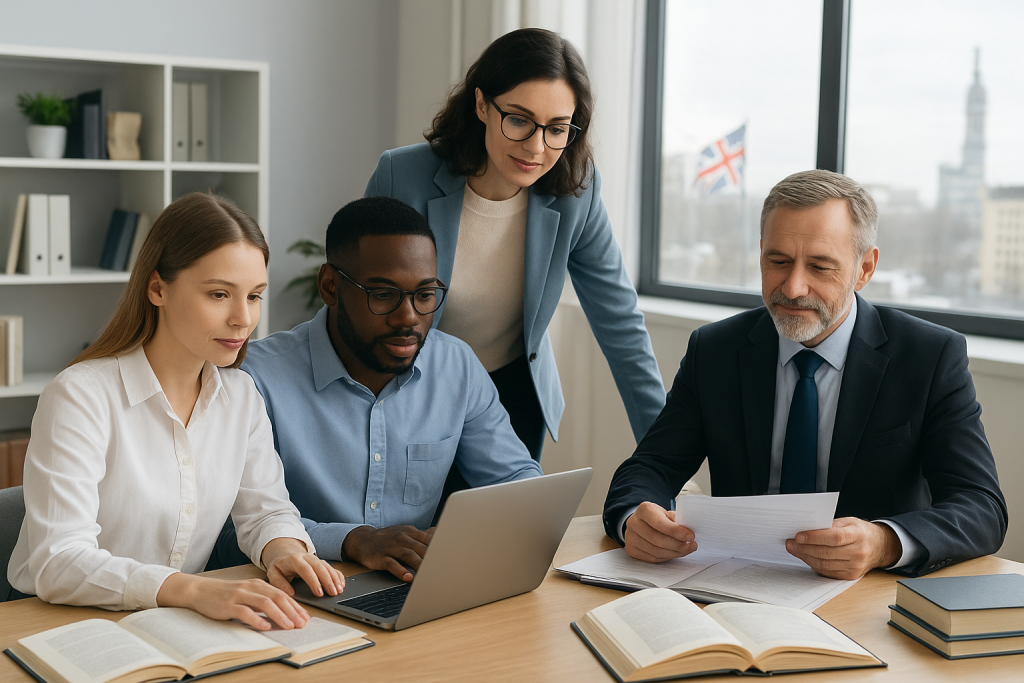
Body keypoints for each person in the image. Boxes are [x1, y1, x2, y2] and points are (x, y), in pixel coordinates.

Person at [603, 169, 1007, 580]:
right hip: (736, 585)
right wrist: (635, 519)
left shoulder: (929, 356)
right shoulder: (715, 350)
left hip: (868, 596)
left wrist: (884, 542)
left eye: (820, 266)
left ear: (864, 268)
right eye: (777, 261)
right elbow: (649, 467)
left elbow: (981, 507)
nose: (794, 287)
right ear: (761, 251)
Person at [7, 193, 343, 631]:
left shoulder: (241, 396)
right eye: (219, 294)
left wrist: (286, 551)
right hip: (54, 621)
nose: (243, 319)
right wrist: (194, 590)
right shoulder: (80, 396)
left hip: (167, 621)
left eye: (255, 296)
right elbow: (60, 561)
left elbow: (265, 511)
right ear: (157, 288)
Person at [364, 28, 664, 464]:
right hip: (411, 388)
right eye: (520, 120)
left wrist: (666, 461)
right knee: (416, 533)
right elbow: (357, 299)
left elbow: (621, 325)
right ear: (482, 104)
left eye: (557, 129)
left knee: (511, 531)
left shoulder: (577, 192)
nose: (537, 148)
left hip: (512, 396)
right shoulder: (402, 175)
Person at [212, 197, 543, 583]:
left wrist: (461, 534)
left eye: (424, 295)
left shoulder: (456, 367)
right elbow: (223, 534)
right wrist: (352, 540)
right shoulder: (255, 378)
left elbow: (517, 483)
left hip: (411, 587)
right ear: (330, 286)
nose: (408, 318)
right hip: (291, 592)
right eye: (383, 295)